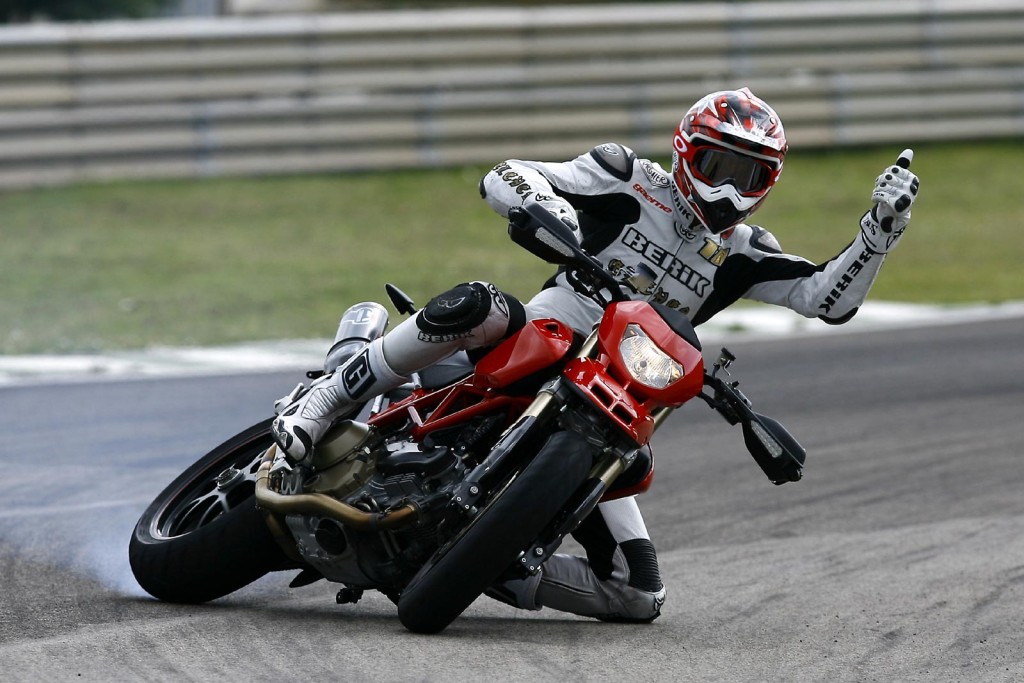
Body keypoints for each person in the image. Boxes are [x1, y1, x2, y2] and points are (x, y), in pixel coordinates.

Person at [271, 87, 920, 623]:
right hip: (544, 336)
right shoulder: (628, 178)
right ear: (687, 152)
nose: (728, 188)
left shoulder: (745, 252)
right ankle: (327, 397)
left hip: (618, 398)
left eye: (747, 175)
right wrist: (549, 207)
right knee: (479, 303)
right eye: (718, 165)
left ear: (767, 182)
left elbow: (822, 298)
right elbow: (508, 174)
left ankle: (495, 561)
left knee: (641, 593)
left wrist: (876, 237)